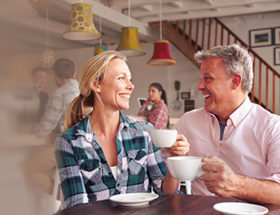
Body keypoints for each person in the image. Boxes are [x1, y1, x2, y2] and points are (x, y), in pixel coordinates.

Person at [55, 51, 189, 208]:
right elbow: (76, 207)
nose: (131, 86)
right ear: (96, 84)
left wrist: (175, 159)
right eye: (121, 78)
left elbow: (165, 192)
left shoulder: (144, 132)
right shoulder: (69, 141)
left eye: (130, 79)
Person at [174, 44, 280, 205]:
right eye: (201, 78)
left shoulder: (272, 127)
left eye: (207, 78)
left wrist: (236, 184)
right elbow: (164, 176)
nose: (200, 86)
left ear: (235, 81)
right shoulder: (187, 122)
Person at [24, 58, 80, 197]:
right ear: (74, 74)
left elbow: (45, 127)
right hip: (85, 147)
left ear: (55, 75)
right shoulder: (85, 93)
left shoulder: (59, 94)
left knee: (27, 167)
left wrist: (35, 130)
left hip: (68, 147)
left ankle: (66, 197)